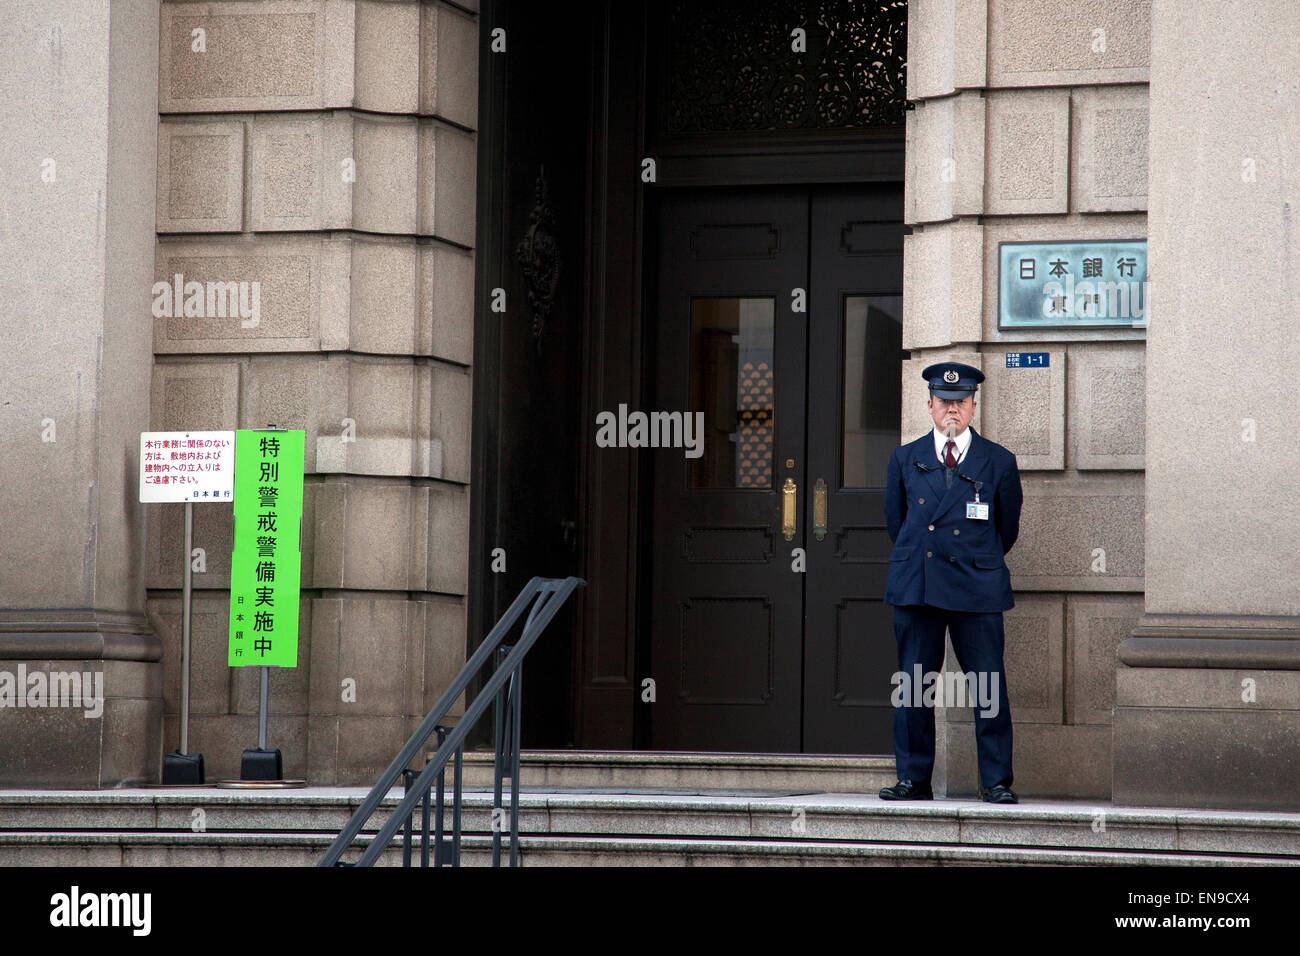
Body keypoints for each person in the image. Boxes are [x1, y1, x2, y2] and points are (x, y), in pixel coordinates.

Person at [878, 361, 1023, 804]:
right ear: (930, 406)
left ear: (974, 406)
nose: (952, 410)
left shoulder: (997, 461)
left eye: (960, 402)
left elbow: (1008, 528)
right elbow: (895, 521)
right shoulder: (906, 457)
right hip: (918, 585)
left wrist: (977, 560)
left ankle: (996, 782)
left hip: (976, 587)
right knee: (914, 685)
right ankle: (913, 779)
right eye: (944, 402)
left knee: (987, 685)